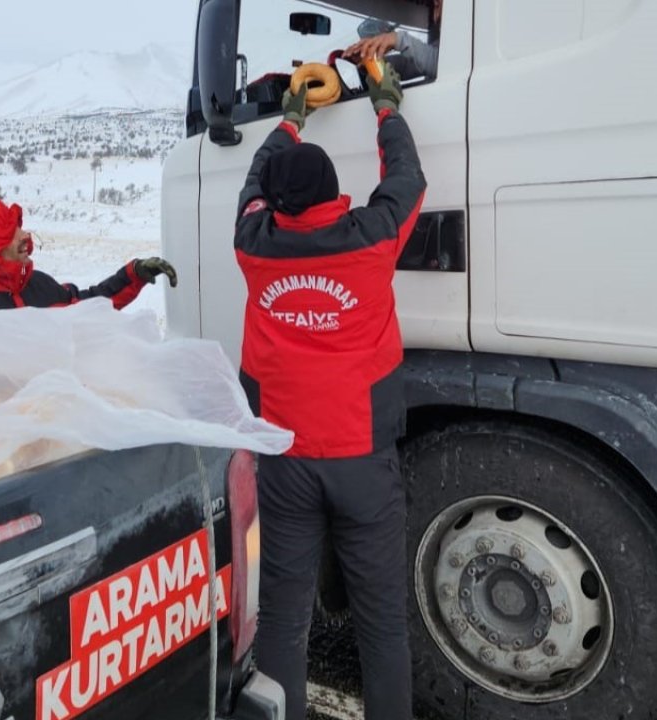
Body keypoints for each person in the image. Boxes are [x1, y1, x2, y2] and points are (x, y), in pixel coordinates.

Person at [233, 59, 425, 720]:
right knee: (382, 623)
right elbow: (407, 178)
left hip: (284, 458)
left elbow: (256, 179)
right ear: (331, 192)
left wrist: (290, 114)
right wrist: (384, 99)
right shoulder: (372, 238)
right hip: (362, 462)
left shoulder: (254, 243)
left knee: (284, 619)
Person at [0, 194, 177, 340]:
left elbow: (86, 307)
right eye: (10, 232)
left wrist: (133, 274)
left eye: (19, 226)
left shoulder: (37, 286)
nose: (24, 235)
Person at [344, 0, 442, 81]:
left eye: (437, 3)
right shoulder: (441, 44)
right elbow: (408, 66)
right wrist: (370, 63)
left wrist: (398, 39)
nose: (435, 3)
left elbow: (441, 64)